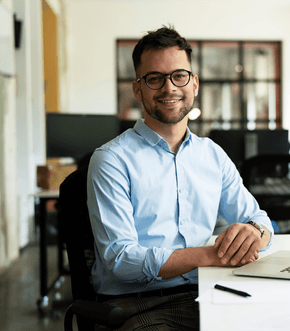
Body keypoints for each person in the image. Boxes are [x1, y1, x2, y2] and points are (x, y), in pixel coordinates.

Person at [87, 25, 274, 331]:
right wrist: (210, 255)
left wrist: (254, 232)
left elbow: (260, 218)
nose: (170, 87)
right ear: (138, 89)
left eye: (179, 75)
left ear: (194, 83)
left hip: (212, 290)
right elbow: (121, 260)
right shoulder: (112, 159)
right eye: (154, 78)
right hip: (139, 303)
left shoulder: (212, 155)